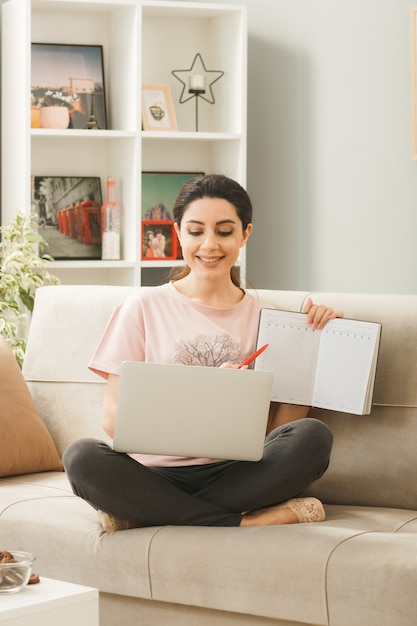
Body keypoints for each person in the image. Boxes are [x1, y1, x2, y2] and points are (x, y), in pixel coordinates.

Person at [63, 174, 343, 532]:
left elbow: (283, 430)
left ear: (245, 234)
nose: (209, 245)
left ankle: (146, 514)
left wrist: (317, 335)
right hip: (152, 475)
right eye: (196, 231)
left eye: (224, 232)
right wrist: (205, 395)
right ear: (177, 232)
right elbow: (113, 420)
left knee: (313, 437)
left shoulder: (273, 320)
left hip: (236, 473)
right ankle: (243, 521)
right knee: (82, 457)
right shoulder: (142, 307)